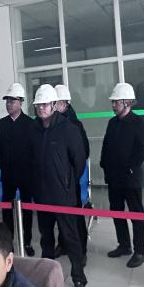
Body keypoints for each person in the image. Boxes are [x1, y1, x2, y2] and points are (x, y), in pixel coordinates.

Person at [31, 84, 88, 287]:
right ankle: (46, 279)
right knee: (46, 240)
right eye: (38, 105)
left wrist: (67, 183)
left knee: (71, 239)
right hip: (42, 196)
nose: (41, 108)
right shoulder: (34, 129)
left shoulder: (68, 129)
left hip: (64, 196)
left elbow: (79, 161)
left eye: (45, 104)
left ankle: (79, 280)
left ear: (54, 105)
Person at [100, 82, 144, 268]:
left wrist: (130, 168)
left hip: (130, 178)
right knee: (117, 212)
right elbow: (106, 147)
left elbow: (143, 149)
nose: (113, 105)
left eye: (117, 102)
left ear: (127, 102)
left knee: (136, 214)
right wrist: (104, 166)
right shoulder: (112, 123)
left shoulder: (138, 122)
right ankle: (124, 245)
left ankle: (140, 251)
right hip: (114, 178)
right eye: (113, 102)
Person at [0, 82, 35, 256]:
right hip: (8, 175)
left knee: (26, 209)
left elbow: (34, 150)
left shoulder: (30, 124)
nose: (9, 104)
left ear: (21, 102)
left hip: (26, 175)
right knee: (7, 209)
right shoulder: (2, 123)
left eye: (12, 101)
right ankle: (8, 241)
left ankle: (27, 241)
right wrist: (2, 166)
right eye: (7, 101)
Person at [53, 84, 90, 261]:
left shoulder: (74, 125)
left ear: (65, 104)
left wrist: (71, 177)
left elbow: (83, 154)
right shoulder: (52, 124)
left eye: (56, 103)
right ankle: (63, 245)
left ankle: (81, 250)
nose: (53, 106)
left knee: (75, 216)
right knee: (60, 215)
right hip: (57, 181)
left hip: (70, 181)